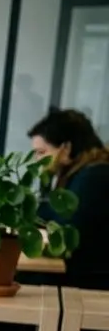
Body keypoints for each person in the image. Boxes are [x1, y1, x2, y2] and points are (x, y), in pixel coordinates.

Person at [29, 108, 109, 290]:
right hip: (79, 274)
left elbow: (63, 228)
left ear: (66, 148)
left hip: (87, 283)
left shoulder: (94, 177)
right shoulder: (80, 173)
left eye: (41, 153)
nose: (37, 160)